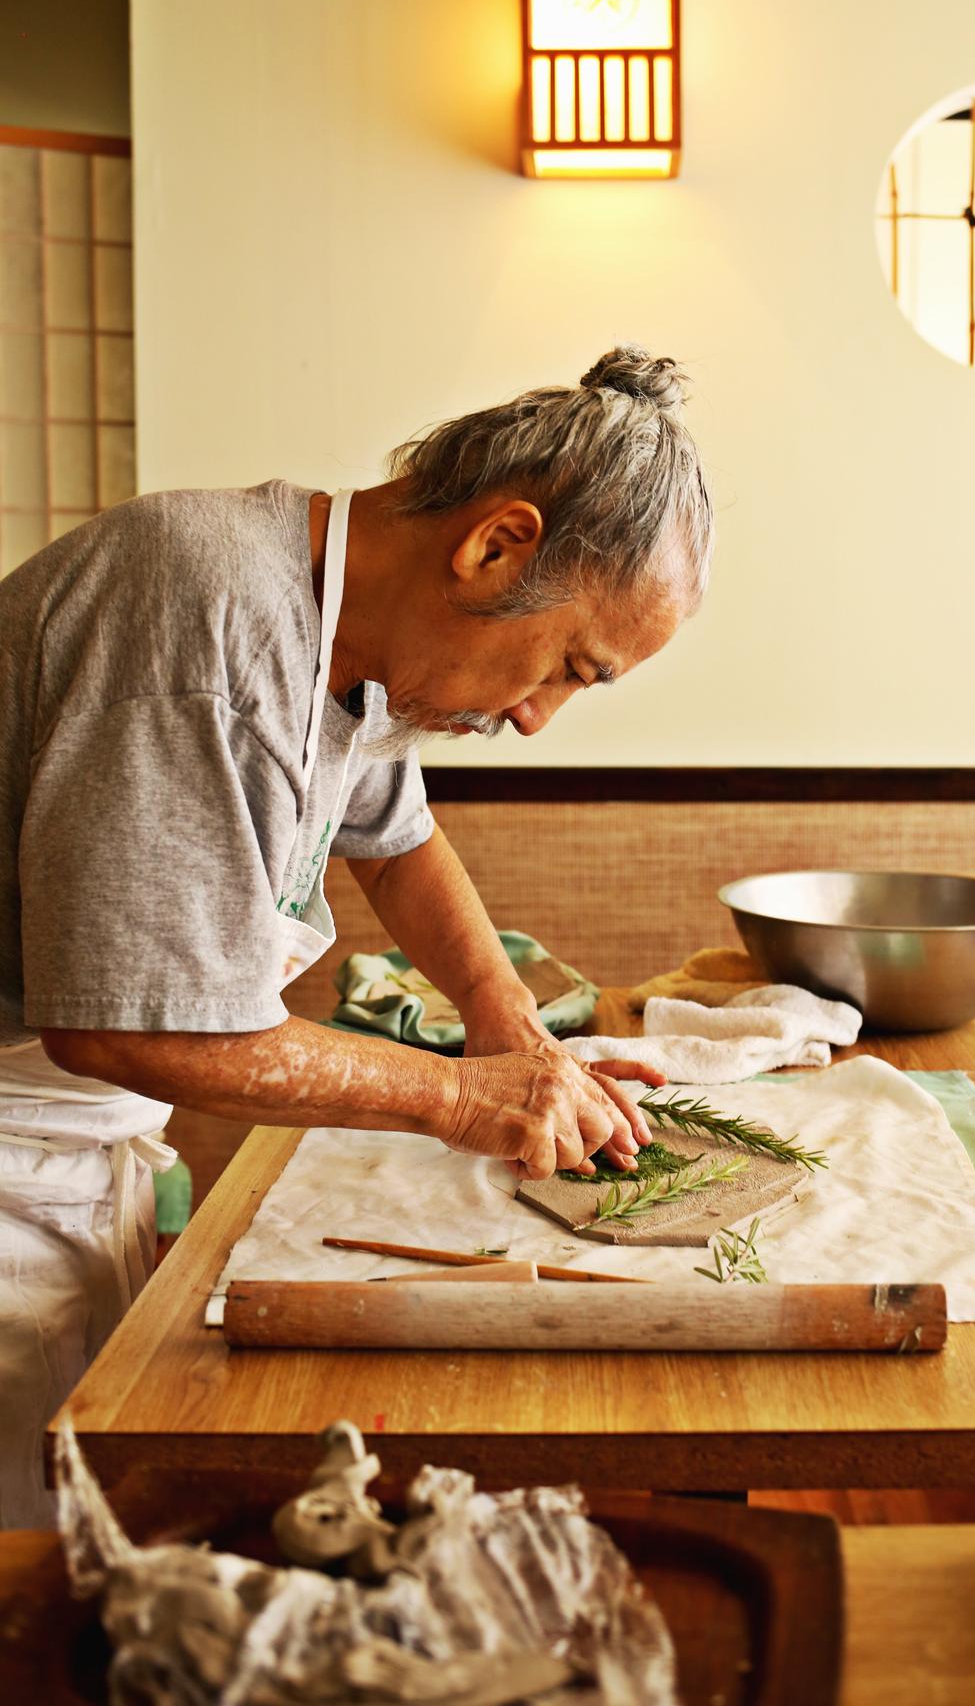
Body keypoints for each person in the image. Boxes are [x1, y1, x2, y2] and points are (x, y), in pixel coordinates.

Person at [0, 345, 711, 1526]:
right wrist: (460, 1098)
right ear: (496, 546)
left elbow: (398, 839)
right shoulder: (207, 612)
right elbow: (120, 1028)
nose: (539, 718)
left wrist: (516, 1030)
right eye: (572, 669)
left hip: (60, 1153)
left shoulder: (358, 650)